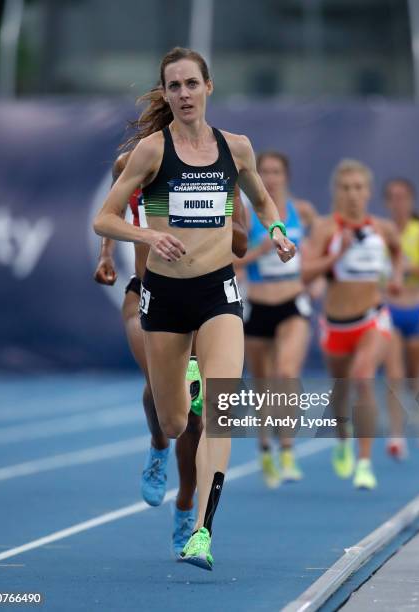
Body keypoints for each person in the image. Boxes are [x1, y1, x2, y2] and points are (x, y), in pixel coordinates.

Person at [93, 47, 295, 570]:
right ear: (165, 94)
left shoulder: (237, 149)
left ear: (209, 87)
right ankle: (160, 440)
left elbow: (264, 200)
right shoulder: (150, 154)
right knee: (178, 420)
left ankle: (203, 531)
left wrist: (275, 232)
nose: (183, 94)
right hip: (163, 299)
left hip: (217, 293)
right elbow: (105, 219)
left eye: (190, 84)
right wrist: (147, 235)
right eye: (173, 86)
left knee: (221, 409)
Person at [94, 147, 248, 557]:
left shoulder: (218, 167)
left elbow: (243, 242)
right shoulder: (130, 162)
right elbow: (112, 215)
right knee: (159, 387)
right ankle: (158, 445)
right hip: (147, 291)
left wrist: (208, 218)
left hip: (203, 295)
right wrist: (106, 256)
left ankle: (184, 505)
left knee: (196, 419)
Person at [302, 159, 403, 490]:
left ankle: (364, 462)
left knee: (362, 377)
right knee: (342, 390)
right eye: (346, 188)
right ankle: (343, 437)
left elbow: (398, 252)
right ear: (336, 191)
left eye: (359, 188)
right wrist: (336, 255)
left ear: (368, 191)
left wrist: (397, 276)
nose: (352, 195)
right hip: (335, 326)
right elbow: (304, 274)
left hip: (372, 318)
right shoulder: (325, 228)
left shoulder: (383, 228)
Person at [234, 151, 312, 487]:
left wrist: (318, 278)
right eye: (263, 171)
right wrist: (261, 250)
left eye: (276, 171)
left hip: (292, 303)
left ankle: (288, 449)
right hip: (258, 306)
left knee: (286, 374)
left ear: (286, 175)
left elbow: (320, 248)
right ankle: (265, 448)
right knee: (264, 386)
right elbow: (233, 261)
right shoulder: (250, 218)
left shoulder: (302, 212)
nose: (270, 177)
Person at [383, 179, 419, 456]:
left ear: (411, 200)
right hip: (391, 308)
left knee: (416, 376)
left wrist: (411, 267)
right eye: (393, 197)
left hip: (416, 308)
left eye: (403, 197)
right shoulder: (382, 232)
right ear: (386, 202)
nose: (398, 202)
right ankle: (396, 436)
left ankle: (418, 419)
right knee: (395, 374)